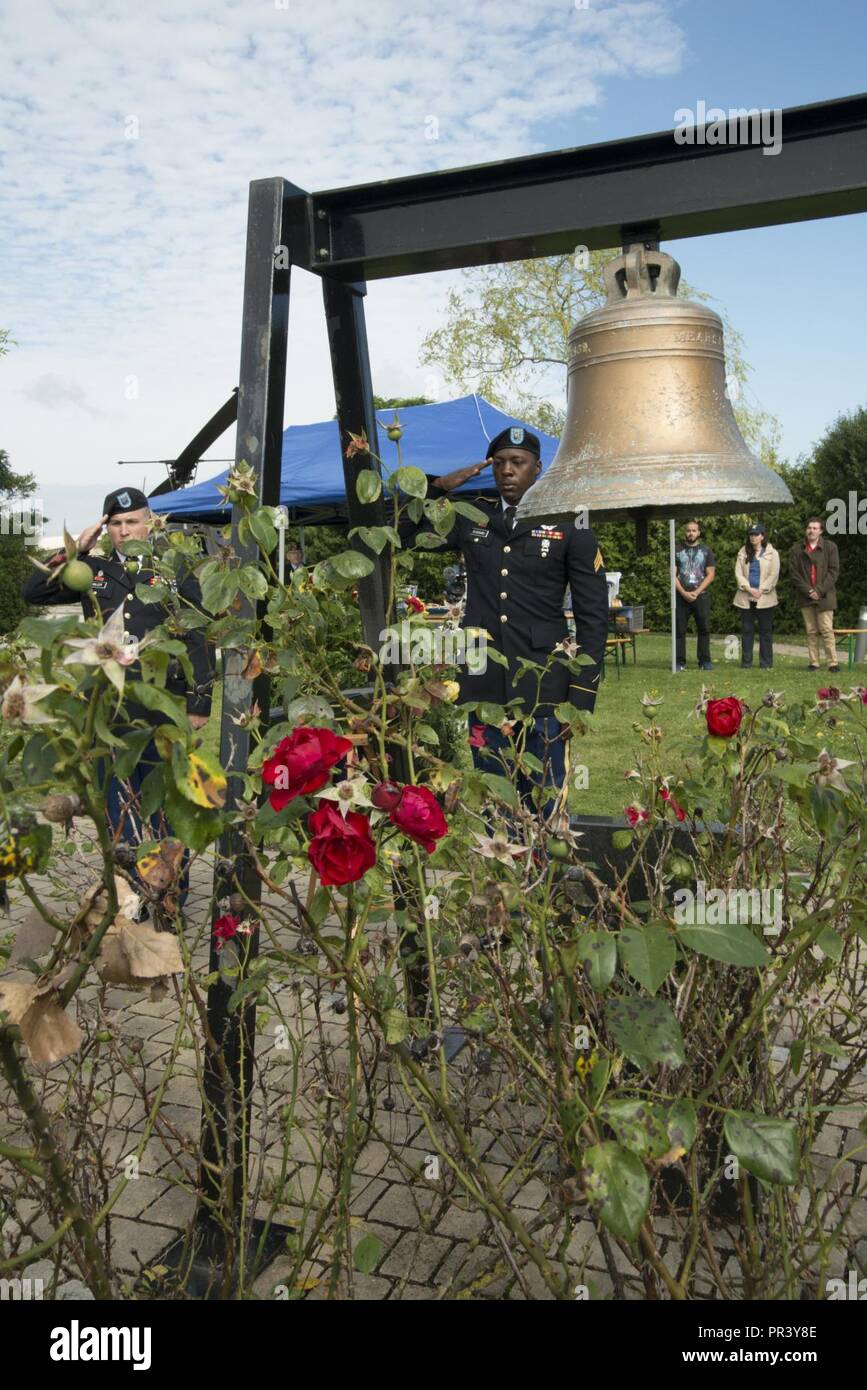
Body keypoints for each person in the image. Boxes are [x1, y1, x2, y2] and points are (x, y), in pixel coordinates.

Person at [21, 487, 214, 912]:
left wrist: (199, 702)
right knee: (117, 801)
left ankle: (168, 893)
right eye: (116, 524)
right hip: (107, 707)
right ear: (106, 528)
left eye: (132, 521)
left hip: (159, 703)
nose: (125, 531)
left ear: (150, 521)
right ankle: (130, 893)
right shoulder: (92, 569)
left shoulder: (173, 566)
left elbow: (196, 633)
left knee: (160, 796)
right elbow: (32, 593)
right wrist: (76, 553)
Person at [400, 426, 608, 809]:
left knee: (544, 800)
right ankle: (504, 873)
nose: (507, 471)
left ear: (538, 468)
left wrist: (581, 694)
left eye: (517, 463)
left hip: (545, 688)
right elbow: (400, 533)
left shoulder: (569, 520)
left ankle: (543, 869)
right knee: (494, 798)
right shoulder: (471, 515)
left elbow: (593, 614)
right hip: (484, 685)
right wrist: (438, 487)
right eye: (499, 464)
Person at [789, 516, 840, 673]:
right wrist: (809, 591)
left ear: (821, 531)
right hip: (806, 596)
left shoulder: (830, 547)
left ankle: (833, 663)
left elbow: (833, 572)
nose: (811, 530)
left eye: (815, 528)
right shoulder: (797, 549)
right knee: (811, 631)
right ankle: (814, 662)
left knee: (826, 630)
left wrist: (818, 590)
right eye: (809, 528)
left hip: (825, 596)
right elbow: (794, 573)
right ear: (806, 529)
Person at [733, 522, 779, 669]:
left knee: (765, 631)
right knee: (747, 630)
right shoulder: (743, 552)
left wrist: (760, 590)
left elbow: (774, 574)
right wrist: (749, 589)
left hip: (765, 598)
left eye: (756, 534)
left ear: (762, 536)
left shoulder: (772, 553)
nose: (753, 537)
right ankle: (746, 663)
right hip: (746, 597)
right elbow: (738, 573)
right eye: (751, 534)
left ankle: (766, 663)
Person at [674, 520, 716, 671]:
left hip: (701, 596)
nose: (691, 533)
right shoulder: (676, 550)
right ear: (685, 532)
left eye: (694, 530)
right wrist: (684, 593)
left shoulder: (706, 551)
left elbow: (710, 574)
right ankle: (679, 662)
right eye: (688, 530)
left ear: (699, 533)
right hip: (681, 596)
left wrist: (697, 592)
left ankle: (704, 661)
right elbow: (672, 575)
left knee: (704, 629)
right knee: (679, 630)